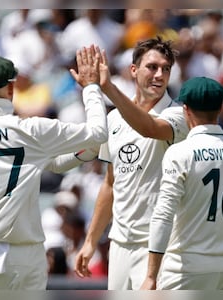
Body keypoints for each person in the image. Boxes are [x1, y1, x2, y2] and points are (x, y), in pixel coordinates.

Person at [0, 49, 107, 290]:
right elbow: (97, 133)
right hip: (27, 254)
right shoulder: (31, 130)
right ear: (11, 89)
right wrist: (92, 87)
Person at [74, 37, 189, 290]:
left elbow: (148, 128)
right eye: (152, 67)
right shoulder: (114, 119)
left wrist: (108, 88)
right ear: (133, 70)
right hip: (119, 245)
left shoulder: (177, 115)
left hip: (159, 248)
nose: (159, 74)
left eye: (166, 68)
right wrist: (91, 241)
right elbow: (110, 184)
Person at [140, 77, 223, 290]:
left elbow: (163, 214)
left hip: (185, 269)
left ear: (185, 109)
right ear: (220, 108)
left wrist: (150, 275)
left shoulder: (180, 152)